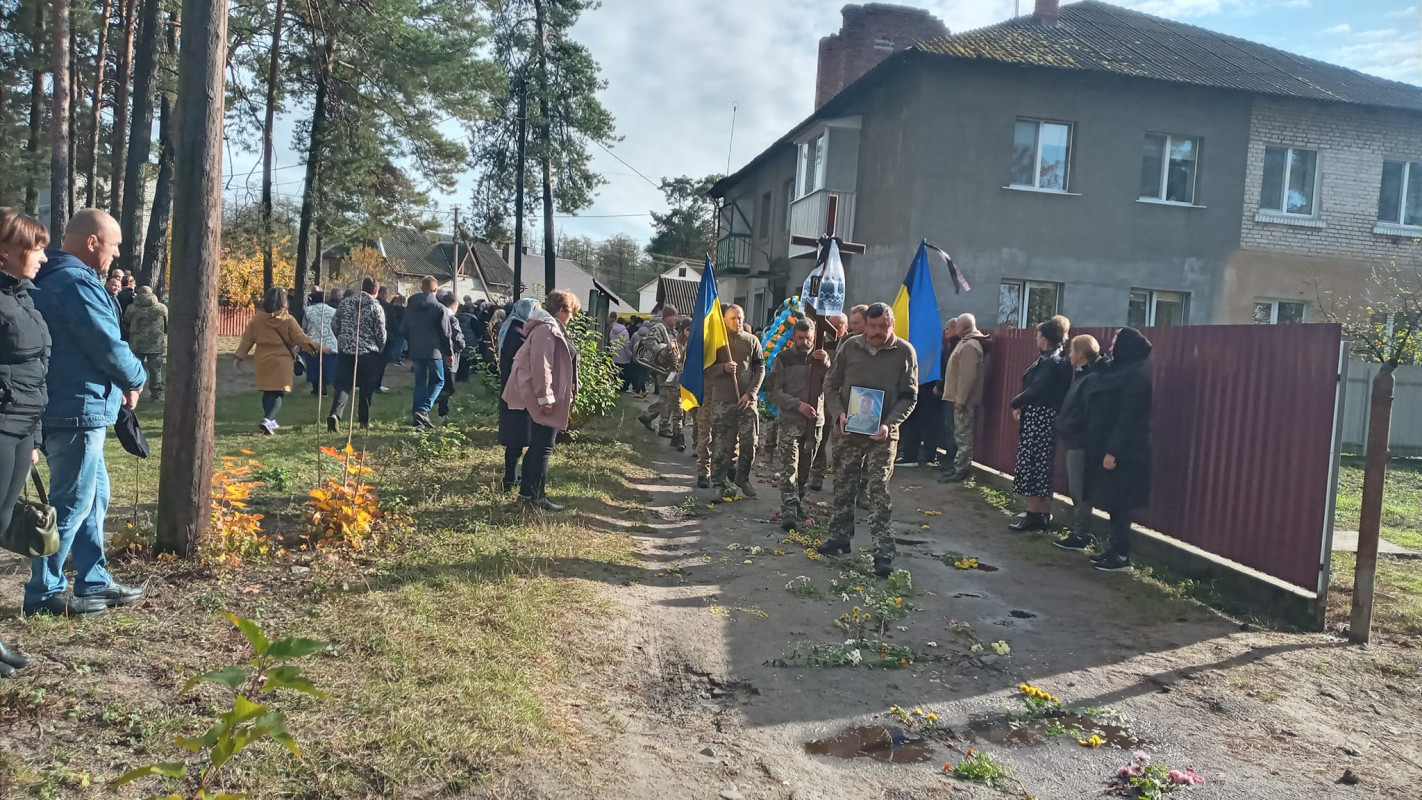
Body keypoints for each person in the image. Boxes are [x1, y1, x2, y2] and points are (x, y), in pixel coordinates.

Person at [27, 208, 147, 617]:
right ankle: (45, 591)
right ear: (92, 241)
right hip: (77, 405)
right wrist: (136, 376)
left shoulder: (48, 277)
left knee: (94, 498)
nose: (115, 256)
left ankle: (94, 578)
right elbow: (108, 345)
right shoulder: (76, 282)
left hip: (72, 403)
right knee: (72, 502)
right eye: (112, 246)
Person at [821, 302, 918, 576]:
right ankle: (839, 538)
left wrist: (889, 425)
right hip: (849, 430)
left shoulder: (904, 352)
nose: (877, 332)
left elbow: (909, 396)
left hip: (882, 435)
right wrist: (839, 413)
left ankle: (883, 553)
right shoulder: (851, 347)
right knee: (843, 484)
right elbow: (830, 383)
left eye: (882, 326)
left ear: (892, 324)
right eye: (872, 326)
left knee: (878, 491)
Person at [0, 208, 49, 669]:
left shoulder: (24, 296)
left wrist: (32, 435)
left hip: (19, 429)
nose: (41, 255)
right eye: (35, 246)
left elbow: (33, 369)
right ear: (5, 251)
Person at [502, 290, 581, 511]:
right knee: (544, 447)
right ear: (562, 309)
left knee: (538, 445)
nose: (572, 317)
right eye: (571, 312)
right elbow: (542, 365)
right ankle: (536, 497)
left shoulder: (548, 327)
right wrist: (545, 398)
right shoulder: (546, 329)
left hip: (548, 394)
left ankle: (528, 494)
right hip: (545, 397)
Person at [1087, 327, 1154, 573]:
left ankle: (1122, 555)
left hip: (1127, 453)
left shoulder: (1136, 376)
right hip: (1114, 447)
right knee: (1113, 502)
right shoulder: (1122, 370)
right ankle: (1114, 549)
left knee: (1121, 504)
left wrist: (1113, 451)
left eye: (1116, 340)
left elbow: (1128, 418)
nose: (1112, 344)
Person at [1007, 317, 1073, 531]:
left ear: (1044, 338)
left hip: (1040, 418)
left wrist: (1016, 401)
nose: (1035, 338)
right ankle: (1042, 512)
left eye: (1037, 334)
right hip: (1044, 416)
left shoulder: (1050, 362)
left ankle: (1035, 514)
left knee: (1035, 463)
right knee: (1041, 464)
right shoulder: (1056, 359)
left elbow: (1038, 389)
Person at [236, 287, 328, 435]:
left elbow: (247, 339)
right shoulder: (288, 320)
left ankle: (269, 422)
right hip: (282, 360)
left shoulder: (257, 319)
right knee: (278, 392)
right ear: (284, 302)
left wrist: (240, 356)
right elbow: (301, 338)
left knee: (267, 390)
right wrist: (318, 347)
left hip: (262, 359)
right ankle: (268, 419)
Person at [765, 320, 829, 530]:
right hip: (791, 420)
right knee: (789, 467)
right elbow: (774, 392)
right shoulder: (783, 359)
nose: (805, 342)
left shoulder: (821, 358)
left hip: (815, 422)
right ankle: (789, 508)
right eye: (800, 338)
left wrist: (827, 364)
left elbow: (834, 384)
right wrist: (797, 405)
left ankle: (798, 502)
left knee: (805, 469)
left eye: (808, 337)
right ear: (793, 337)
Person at [706, 304, 765, 498]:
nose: (737, 322)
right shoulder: (716, 342)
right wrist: (722, 367)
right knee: (722, 444)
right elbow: (706, 370)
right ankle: (718, 482)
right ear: (724, 319)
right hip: (723, 401)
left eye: (740, 318)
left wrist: (751, 393)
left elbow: (760, 368)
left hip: (747, 401)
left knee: (750, 442)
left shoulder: (751, 340)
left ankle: (743, 477)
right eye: (733, 318)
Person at [1054, 334, 1102, 551]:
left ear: (1081, 354)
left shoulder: (1091, 378)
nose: (1069, 354)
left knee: (1079, 488)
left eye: (1072, 351)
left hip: (1081, 441)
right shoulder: (1082, 375)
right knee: (1076, 487)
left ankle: (1081, 533)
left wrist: (1070, 425)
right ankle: (1079, 530)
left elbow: (1087, 412)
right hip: (1074, 438)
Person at [327, 277, 386, 432]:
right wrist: (380, 347)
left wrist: (342, 338)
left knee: (343, 385)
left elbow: (334, 324)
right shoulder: (375, 307)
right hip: (367, 352)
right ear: (376, 291)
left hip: (346, 350)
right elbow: (380, 332)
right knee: (367, 387)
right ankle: (364, 421)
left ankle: (335, 415)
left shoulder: (345, 303)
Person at [497, 298, 540, 493]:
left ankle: (511, 477)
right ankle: (510, 479)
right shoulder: (517, 333)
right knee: (516, 438)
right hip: (516, 392)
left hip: (513, 389)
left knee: (517, 437)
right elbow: (524, 362)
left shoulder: (514, 327)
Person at [940, 313, 988, 483]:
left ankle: (962, 469)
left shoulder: (970, 345)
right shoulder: (965, 343)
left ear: (963, 327)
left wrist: (961, 400)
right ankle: (957, 466)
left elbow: (967, 376)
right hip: (957, 398)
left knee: (963, 435)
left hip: (962, 401)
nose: (955, 328)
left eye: (957, 325)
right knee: (958, 433)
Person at [401, 276, 454, 429]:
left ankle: (417, 420)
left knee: (420, 383)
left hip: (416, 349)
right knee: (438, 381)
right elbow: (445, 333)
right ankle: (423, 410)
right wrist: (448, 353)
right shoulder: (439, 308)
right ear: (436, 290)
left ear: (421, 287)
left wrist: (412, 341)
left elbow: (403, 328)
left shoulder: (411, 306)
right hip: (434, 351)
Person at [808, 312, 849, 492]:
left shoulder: (850, 345)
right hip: (824, 399)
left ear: (845, 327)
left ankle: (839, 480)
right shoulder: (819, 344)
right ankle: (817, 474)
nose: (834, 330)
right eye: (830, 325)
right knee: (820, 439)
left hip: (845, 401)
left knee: (841, 443)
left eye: (838, 326)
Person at [637, 306, 679, 434]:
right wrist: (663, 351)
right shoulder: (658, 328)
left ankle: (649, 415)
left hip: (669, 368)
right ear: (667, 316)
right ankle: (664, 427)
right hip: (662, 367)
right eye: (674, 316)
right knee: (667, 397)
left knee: (666, 397)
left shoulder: (671, 330)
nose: (676, 318)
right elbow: (650, 343)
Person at [123, 285, 167, 401]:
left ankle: (135, 391)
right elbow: (167, 324)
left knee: (136, 367)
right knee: (155, 369)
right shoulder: (161, 308)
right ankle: (156, 393)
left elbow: (126, 320)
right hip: (156, 343)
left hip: (137, 343)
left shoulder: (132, 308)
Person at [934, 317, 963, 479]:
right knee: (948, 428)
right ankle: (948, 460)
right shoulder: (952, 346)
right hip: (949, 392)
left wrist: (940, 384)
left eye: (948, 329)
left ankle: (952, 462)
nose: (946, 332)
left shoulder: (959, 346)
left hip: (954, 394)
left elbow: (951, 371)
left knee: (953, 430)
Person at [301, 289, 339, 395]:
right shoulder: (333, 310)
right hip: (329, 343)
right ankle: (324, 387)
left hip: (312, 343)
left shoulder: (307, 311)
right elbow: (337, 326)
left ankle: (316, 389)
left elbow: (304, 327)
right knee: (326, 367)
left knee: (314, 367)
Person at [435, 292, 465, 420]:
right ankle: (431, 403)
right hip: (450, 355)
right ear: (454, 305)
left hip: (437, 354)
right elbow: (457, 336)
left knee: (440, 383)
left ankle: (442, 413)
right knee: (449, 387)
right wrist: (462, 345)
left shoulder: (437, 315)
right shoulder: (453, 319)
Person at [384, 293, 406, 367]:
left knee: (393, 345)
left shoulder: (391, 308)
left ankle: (392, 358)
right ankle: (397, 359)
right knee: (399, 345)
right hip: (400, 329)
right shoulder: (403, 310)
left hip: (392, 328)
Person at [610, 315, 631, 391]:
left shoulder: (612, 330)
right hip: (623, 356)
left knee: (615, 371)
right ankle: (623, 388)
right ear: (624, 323)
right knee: (624, 373)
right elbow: (626, 345)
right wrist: (629, 355)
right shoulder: (625, 332)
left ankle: (614, 386)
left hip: (614, 354)